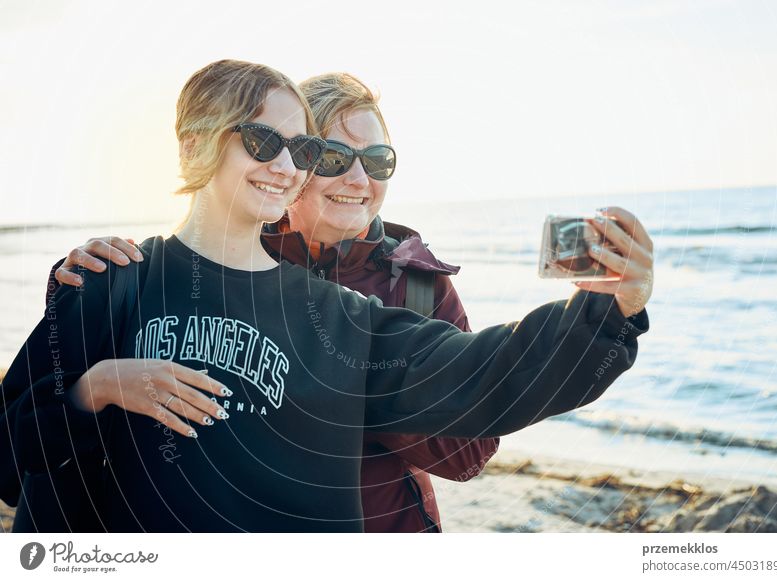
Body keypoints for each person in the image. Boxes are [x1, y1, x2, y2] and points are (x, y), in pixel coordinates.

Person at [0, 59, 652, 533]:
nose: (355, 178)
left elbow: (490, 380)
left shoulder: (363, 312)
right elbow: (14, 458)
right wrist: (97, 387)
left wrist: (608, 310)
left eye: (379, 161)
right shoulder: (115, 279)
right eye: (268, 143)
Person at [47, 72, 499, 533]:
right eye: (333, 156)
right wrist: (99, 287)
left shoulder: (419, 286)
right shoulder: (222, 267)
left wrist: (344, 379)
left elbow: (468, 456)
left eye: (378, 160)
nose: (360, 179)